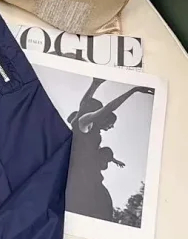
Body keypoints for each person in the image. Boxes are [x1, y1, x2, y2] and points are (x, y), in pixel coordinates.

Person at [65, 78, 152, 221]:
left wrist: (95, 84)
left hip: (89, 173)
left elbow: (84, 104)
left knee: (104, 206)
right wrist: (133, 90)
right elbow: (106, 108)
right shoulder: (82, 124)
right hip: (80, 174)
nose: (111, 126)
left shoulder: (91, 129)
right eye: (110, 123)